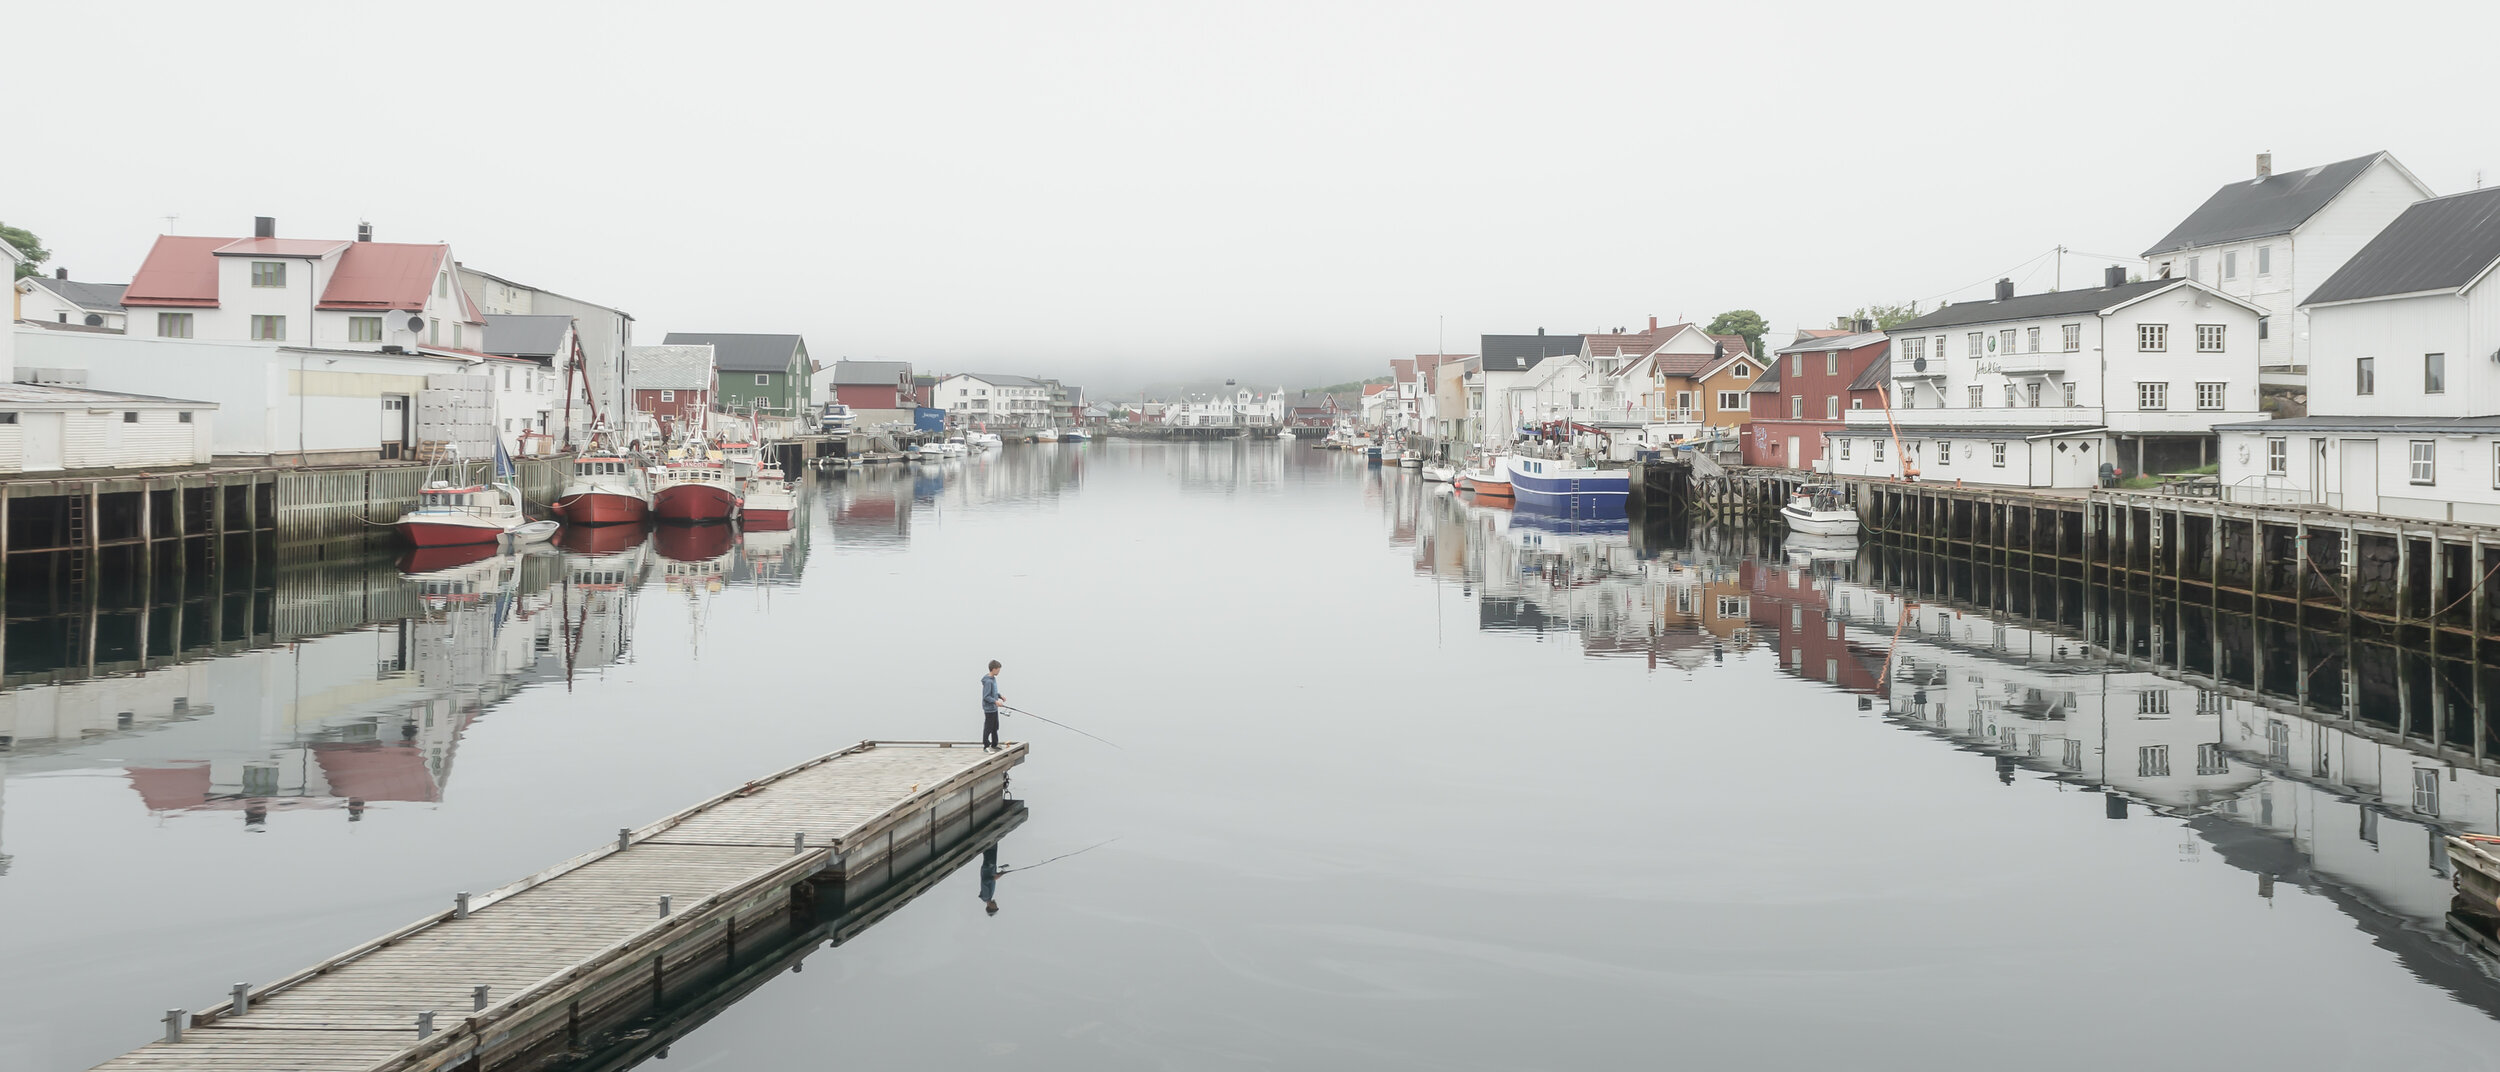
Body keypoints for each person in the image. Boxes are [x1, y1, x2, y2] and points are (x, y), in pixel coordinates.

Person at [981, 660, 1006, 752]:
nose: (999, 672)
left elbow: (993, 692)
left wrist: (1000, 696)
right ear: (994, 669)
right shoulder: (988, 681)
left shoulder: (993, 679)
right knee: (988, 727)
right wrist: (995, 702)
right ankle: (986, 746)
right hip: (989, 709)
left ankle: (994, 744)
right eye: (998, 670)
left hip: (994, 708)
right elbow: (986, 696)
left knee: (995, 726)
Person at [978, 844, 1009, 915]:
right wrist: (999, 874)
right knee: (991, 846)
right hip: (990, 867)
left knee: (991, 845)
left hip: (989, 866)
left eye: (995, 907)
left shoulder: (986, 896)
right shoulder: (988, 896)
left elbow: (984, 881)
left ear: (990, 907)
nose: (996, 905)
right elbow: (991, 879)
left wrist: (994, 878)